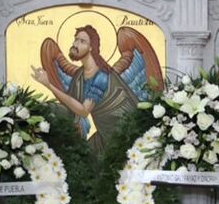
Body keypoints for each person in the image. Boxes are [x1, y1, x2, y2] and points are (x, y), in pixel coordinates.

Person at [31, 25, 139, 155]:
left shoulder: (101, 75)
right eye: (76, 40)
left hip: (123, 135)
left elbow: (83, 110)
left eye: (82, 41)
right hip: (105, 134)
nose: (76, 44)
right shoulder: (80, 76)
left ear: (91, 47)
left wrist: (49, 85)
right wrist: (45, 108)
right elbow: (70, 107)